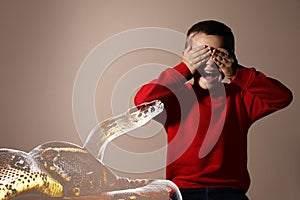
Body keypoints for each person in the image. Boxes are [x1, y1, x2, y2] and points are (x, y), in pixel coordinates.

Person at [134, 20, 293, 200]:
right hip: (183, 191)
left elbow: (281, 97)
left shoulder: (239, 97)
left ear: (230, 58)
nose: (209, 63)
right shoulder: (174, 99)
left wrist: (236, 73)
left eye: (218, 56)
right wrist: (184, 68)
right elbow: (142, 100)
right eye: (201, 55)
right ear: (186, 56)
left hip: (230, 191)